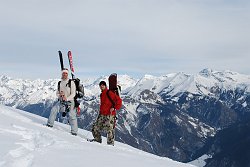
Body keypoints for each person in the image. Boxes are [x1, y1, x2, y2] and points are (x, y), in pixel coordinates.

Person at [47, 68, 78, 136]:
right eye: (63, 73)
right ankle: (49, 124)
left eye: (66, 73)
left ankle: (74, 132)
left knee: (72, 115)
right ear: (62, 74)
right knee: (54, 109)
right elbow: (57, 93)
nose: (64, 74)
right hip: (61, 101)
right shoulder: (60, 83)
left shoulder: (71, 82)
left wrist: (67, 98)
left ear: (67, 74)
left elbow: (73, 94)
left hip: (70, 101)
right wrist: (60, 95)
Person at [92, 81, 122, 145]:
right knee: (95, 127)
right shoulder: (102, 94)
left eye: (103, 85)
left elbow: (119, 100)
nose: (101, 86)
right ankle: (97, 140)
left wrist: (114, 107)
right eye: (100, 85)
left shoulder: (109, 92)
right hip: (102, 114)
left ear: (105, 86)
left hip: (110, 114)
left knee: (110, 130)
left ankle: (110, 145)